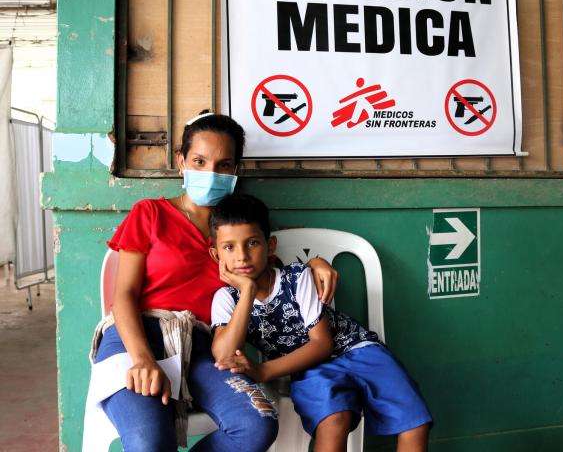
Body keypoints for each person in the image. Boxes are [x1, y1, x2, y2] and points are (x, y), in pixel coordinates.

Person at [89, 112, 341, 451]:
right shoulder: (150, 213)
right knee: (150, 441)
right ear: (181, 161)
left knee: (256, 425)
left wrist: (314, 262)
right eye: (199, 160)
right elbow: (124, 295)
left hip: (202, 347)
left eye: (224, 165)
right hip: (135, 336)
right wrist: (143, 359)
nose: (211, 173)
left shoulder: (238, 234)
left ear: (235, 171)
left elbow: (275, 274)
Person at [208, 193, 433, 452]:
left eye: (252, 243)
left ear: (270, 246)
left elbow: (322, 343)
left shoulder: (298, 278)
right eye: (229, 247)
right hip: (308, 367)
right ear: (216, 255)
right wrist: (246, 291)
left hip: (357, 348)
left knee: (414, 421)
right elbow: (223, 355)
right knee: (334, 420)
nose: (242, 257)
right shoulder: (226, 298)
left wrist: (263, 371)